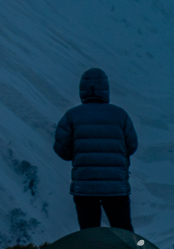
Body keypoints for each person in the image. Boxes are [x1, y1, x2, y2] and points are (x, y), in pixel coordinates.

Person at [53, 67, 137, 230]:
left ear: (82, 89)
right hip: (116, 186)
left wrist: (80, 154)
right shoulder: (120, 115)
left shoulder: (72, 116)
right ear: (105, 88)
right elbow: (132, 146)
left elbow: (62, 149)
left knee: (89, 233)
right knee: (123, 230)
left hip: (85, 186)